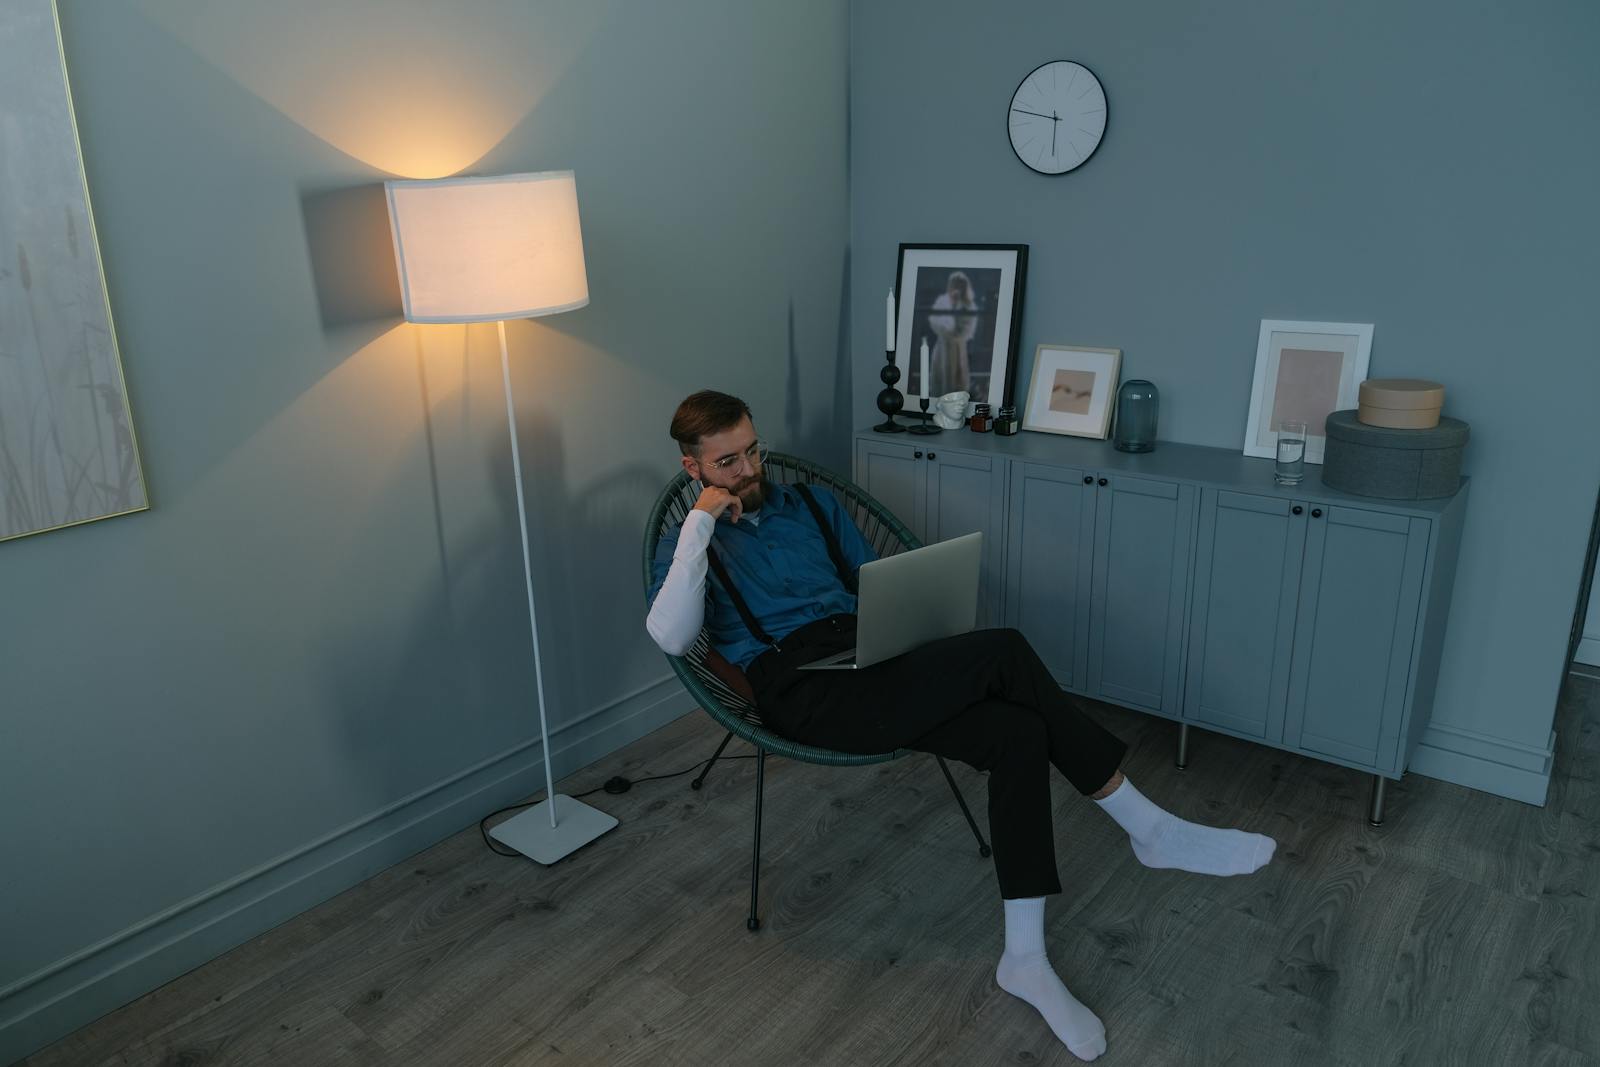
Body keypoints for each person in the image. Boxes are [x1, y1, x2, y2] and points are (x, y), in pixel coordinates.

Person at [645, 390, 1275, 1062]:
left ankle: (1025, 959)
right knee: (1004, 650)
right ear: (694, 468)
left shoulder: (813, 506)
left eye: (751, 449)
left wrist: (913, 626)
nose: (748, 469)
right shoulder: (689, 544)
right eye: (727, 461)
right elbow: (672, 634)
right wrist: (701, 525)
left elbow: (880, 584)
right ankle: (1148, 826)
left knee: (1017, 735)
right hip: (802, 688)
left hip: (872, 655)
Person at [927, 270, 980, 397]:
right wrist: (947, 330)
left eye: (960, 285)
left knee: (957, 379)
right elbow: (934, 320)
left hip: (958, 347)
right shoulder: (942, 301)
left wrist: (957, 307)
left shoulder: (969, 305)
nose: (957, 288)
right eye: (954, 284)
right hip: (943, 346)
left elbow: (967, 326)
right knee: (941, 377)